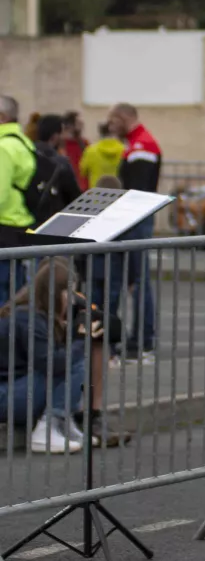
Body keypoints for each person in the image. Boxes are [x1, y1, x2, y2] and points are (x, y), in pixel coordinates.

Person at [0, 259, 129, 453]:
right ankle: (48, 428)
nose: (72, 299)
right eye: (69, 293)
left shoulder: (41, 309)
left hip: (17, 389)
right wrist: (81, 338)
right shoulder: (27, 318)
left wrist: (89, 321)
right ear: (56, 292)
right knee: (75, 363)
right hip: (6, 397)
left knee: (92, 343)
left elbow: (115, 328)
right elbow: (53, 364)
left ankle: (79, 419)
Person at [106, 103, 161, 364]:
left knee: (138, 282)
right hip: (134, 219)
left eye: (112, 121)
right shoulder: (136, 144)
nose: (110, 126)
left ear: (124, 118)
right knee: (135, 282)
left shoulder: (142, 147)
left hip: (136, 220)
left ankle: (142, 340)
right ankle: (139, 338)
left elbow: (137, 190)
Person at [0, 95, 35, 305]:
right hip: (19, 224)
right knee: (16, 293)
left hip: (4, 226)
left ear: (2, 117)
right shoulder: (23, 142)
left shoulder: (3, 147)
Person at [34, 114, 83, 217]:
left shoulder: (27, 154)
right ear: (55, 136)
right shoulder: (61, 163)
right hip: (52, 215)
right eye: (63, 132)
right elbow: (74, 196)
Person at [79, 123, 126, 189]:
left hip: (97, 191)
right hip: (119, 191)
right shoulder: (124, 150)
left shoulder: (90, 150)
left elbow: (83, 171)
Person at [61, 111, 89, 190]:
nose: (82, 125)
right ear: (69, 125)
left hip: (84, 186)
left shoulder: (84, 143)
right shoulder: (61, 144)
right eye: (79, 122)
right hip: (68, 185)